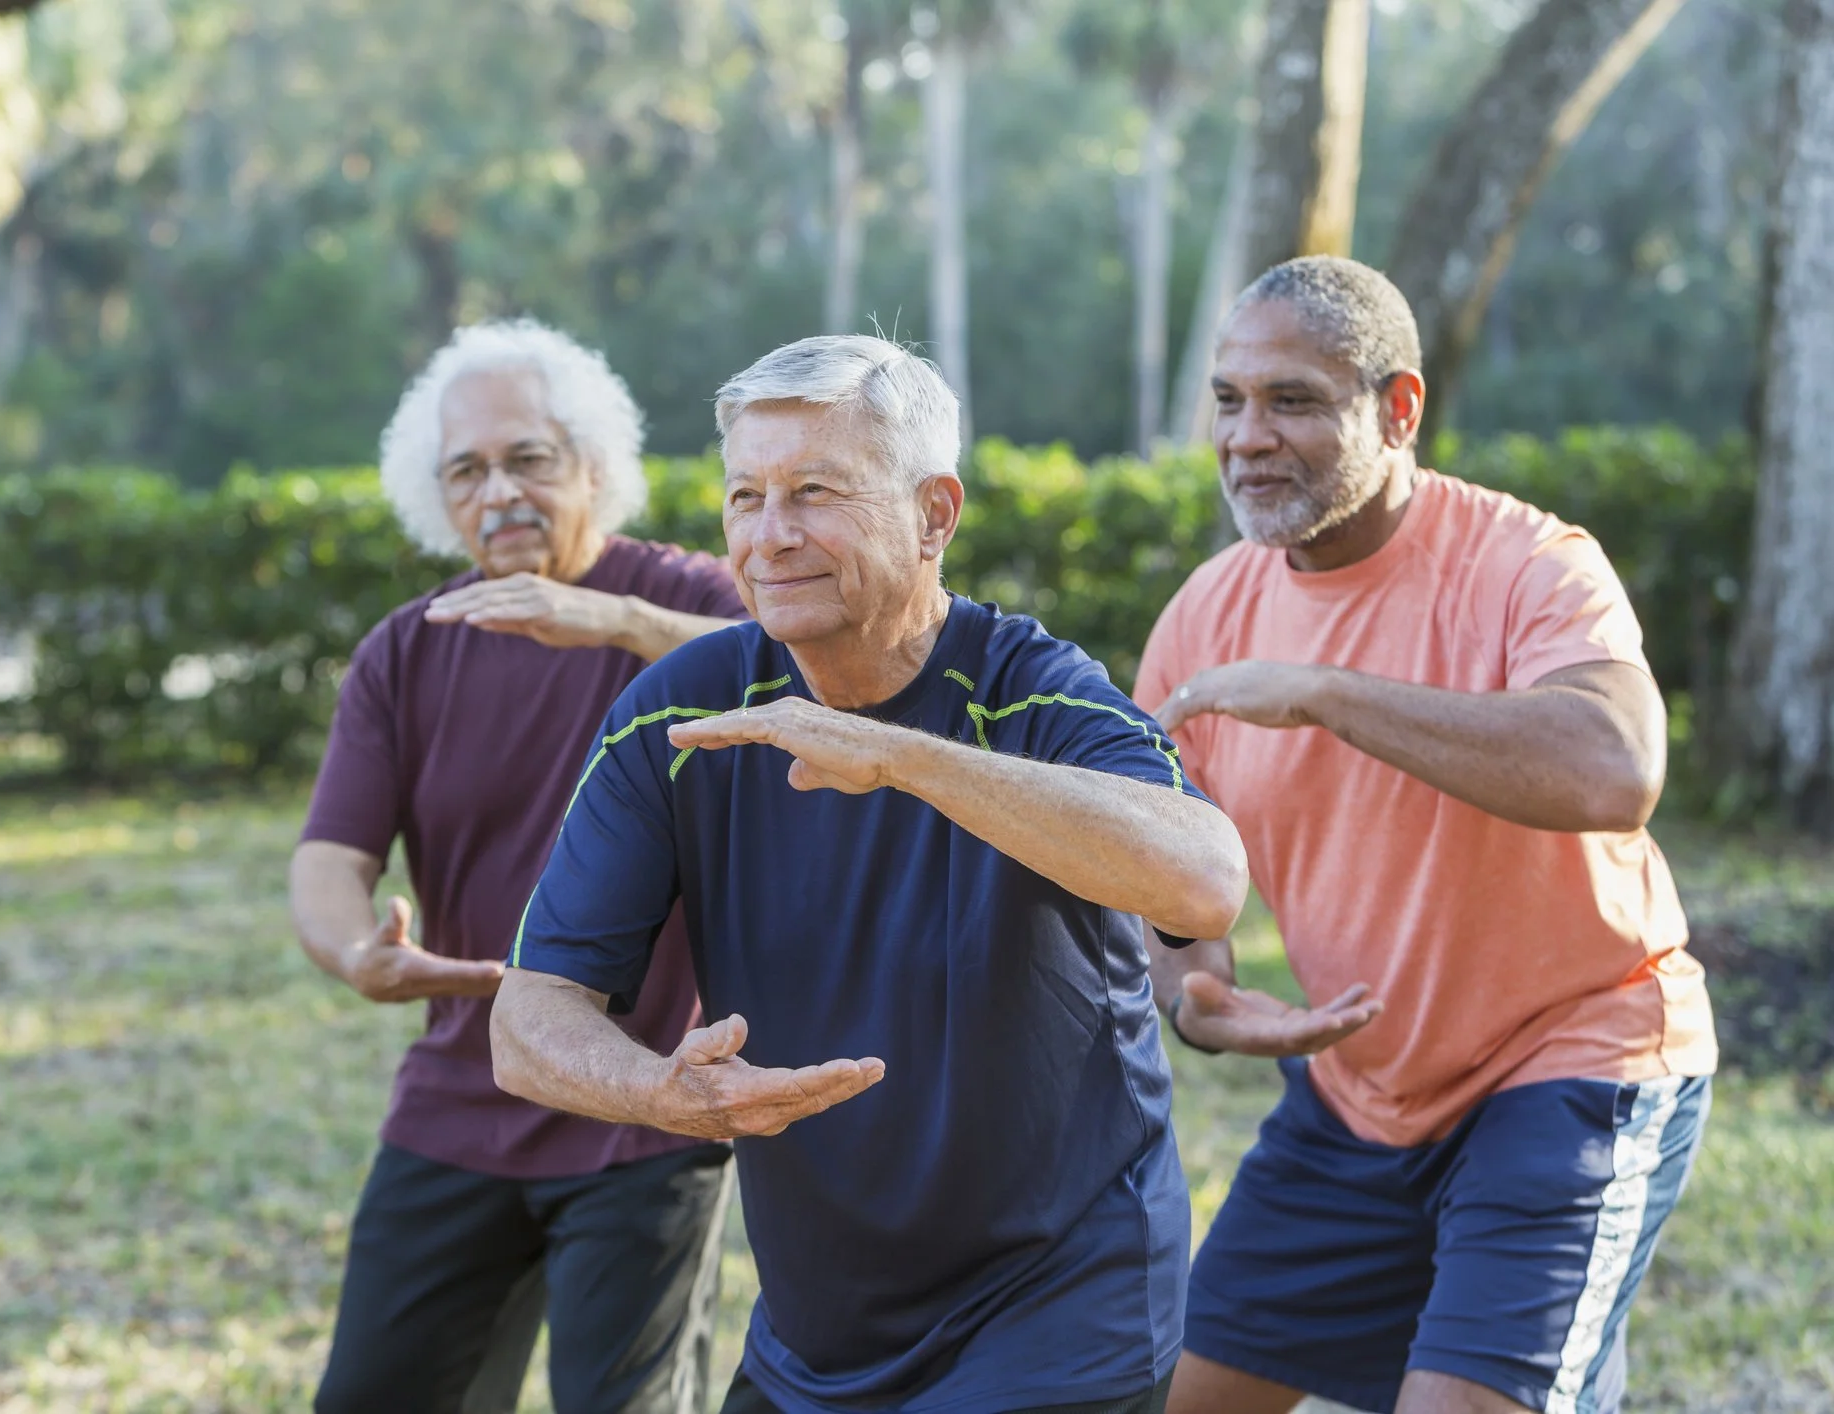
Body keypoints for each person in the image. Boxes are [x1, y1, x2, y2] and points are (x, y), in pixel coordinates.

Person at [489, 334, 1250, 1414]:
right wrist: (660, 1091)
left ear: (935, 513)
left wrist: (900, 756)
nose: (769, 534)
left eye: (814, 491)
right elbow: (526, 1022)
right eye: (745, 496)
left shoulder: (1032, 691)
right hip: (819, 1333)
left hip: (1061, 1310)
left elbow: (1206, 880)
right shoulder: (682, 712)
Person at [1132, 257, 1719, 1414]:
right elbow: (1162, 859)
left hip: (1574, 1062)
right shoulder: (1203, 616)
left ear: (1398, 410)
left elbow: (1615, 767)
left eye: (1294, 399)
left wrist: (1324, 691)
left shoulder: (1531, 562)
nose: (1248, 436)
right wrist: (1196, 989)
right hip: (1358, 1092)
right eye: (1231, 400)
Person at [291, 319, 748, 1414]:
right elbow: (328, 857)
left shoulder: (688, 603)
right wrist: (357, 950)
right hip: (465, 1092)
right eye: (467, 470)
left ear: (594, 464)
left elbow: (797, 672)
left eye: (528, 459)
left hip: (648, 1098)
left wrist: (609, 620)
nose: (498, 492)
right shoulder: (408, 649)